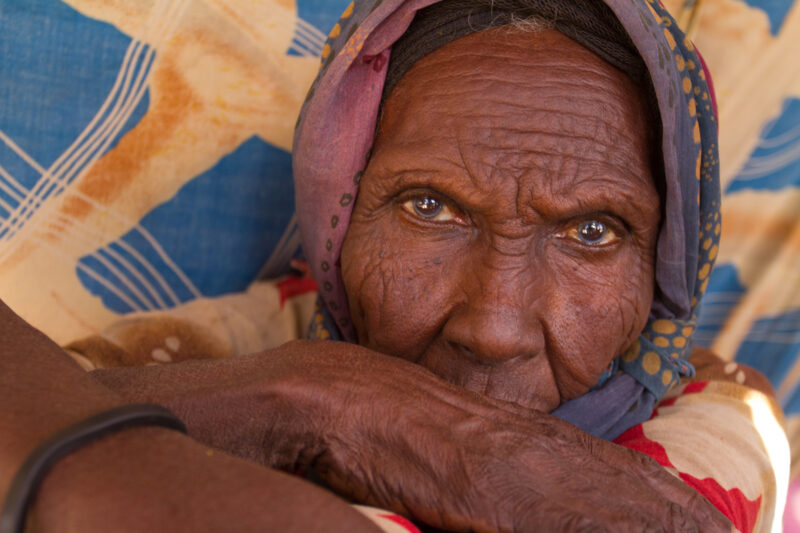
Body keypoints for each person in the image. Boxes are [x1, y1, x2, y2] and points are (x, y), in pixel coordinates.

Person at [0, 0, 786, 531]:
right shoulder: (243, 342)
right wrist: (324, 402)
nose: (494, 326)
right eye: (429, 207)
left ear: (667, 261)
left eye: (591, 229)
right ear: (338, 205)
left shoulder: (722, 442)